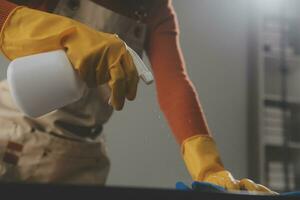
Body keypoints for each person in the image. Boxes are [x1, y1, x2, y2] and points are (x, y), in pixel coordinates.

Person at [0, 0, 275, 193]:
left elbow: (175, 85)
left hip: (81, 155)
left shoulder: (155, 9)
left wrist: (210, 169)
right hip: (13, 132)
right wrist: (69, 35)